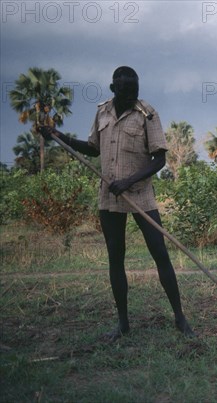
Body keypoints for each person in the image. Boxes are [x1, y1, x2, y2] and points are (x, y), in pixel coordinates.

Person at [40, 66, 194, 341]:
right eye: (124, 91)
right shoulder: (102, 112)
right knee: (116, 257)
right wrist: (60, 136)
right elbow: (93, 148)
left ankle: (179, 318)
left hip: (140, 195)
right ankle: (123, 323)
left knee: (160, 252)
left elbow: (159, 159)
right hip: (109, 195)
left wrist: (129, 181)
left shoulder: (148, 113)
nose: (130, 96)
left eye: (134, 91)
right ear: (113, 89)